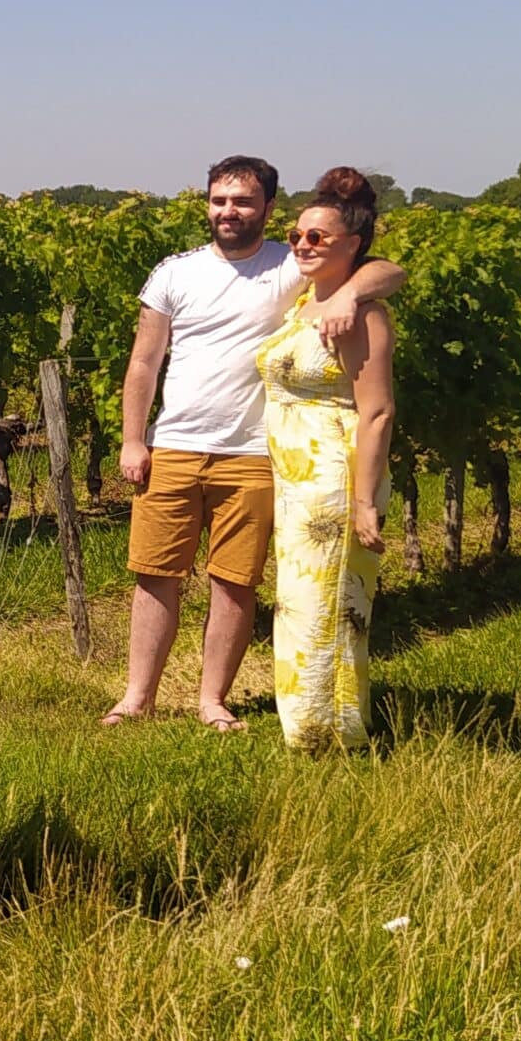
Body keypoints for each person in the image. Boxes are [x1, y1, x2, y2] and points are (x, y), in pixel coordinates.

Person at [104, 156, 403, 732]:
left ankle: (212, 699)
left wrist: (346, 298)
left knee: (235, 582)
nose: (228, 211)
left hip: (254, 455)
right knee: (154, 574)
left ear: (267, 207)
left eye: (242, 201)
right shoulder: (174, 273)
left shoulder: (291, 265)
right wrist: (132, 440)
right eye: (219, 200)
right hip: (174, 445)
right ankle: (137, 697)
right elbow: (144, 361)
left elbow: (386, 270)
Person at [260, 169, 396, 750]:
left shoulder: (358, 315)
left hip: (334, 481)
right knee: (300, 604)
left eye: (319, 238)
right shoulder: (306, 304)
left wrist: (364, 501)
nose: (303, 246)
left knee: (329, 607)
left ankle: (333, 734)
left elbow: (378, 413)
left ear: (354, 247)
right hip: (296, 484)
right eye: (297, 235)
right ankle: (309, 728)